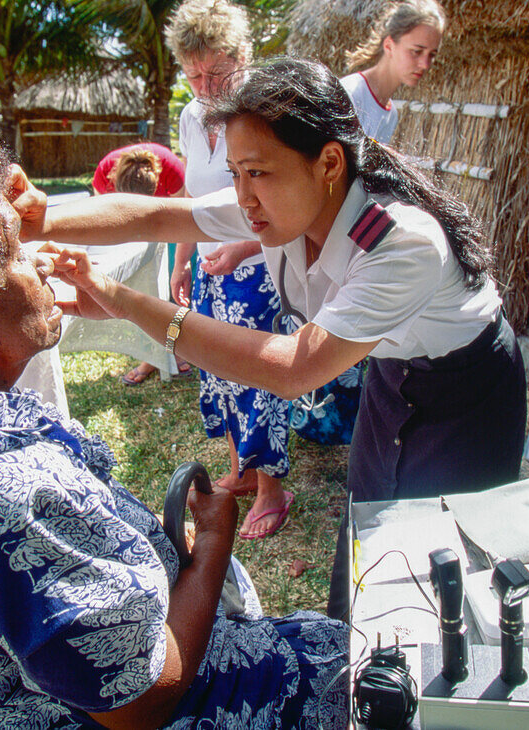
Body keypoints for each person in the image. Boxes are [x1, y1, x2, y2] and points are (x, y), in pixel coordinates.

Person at [0, 102, 348, 729]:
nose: (42, 259)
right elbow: (147, 700)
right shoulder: (3, 495)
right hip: (181, 702)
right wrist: (211, 543)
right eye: (13, 253)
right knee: (358, 669)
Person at [11, 57, 527, 620]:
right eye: (233, 173)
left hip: (466, 393)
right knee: (369, 530)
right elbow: (161, 216)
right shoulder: (283, 206)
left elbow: (293, 369)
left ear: (329, 161)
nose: (243, 196)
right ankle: (346, 655)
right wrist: (44, 221)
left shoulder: (401, 241)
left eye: (256, 172)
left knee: (443, 567)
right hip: (393, 370)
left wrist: (127, 302)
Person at [165, 0, 295, 540]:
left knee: (258, 372)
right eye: (193, 74)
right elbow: (193, 201)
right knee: (216, 364)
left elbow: (287, 200)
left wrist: (242, 250)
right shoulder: (191, 117)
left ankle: (273, 490)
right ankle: (242, 470)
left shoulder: (268, 113)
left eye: (216, 72)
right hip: (213, 266)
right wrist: (182, 259)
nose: (204, 85)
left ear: (243, 56)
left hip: (262, 263)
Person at [94, 143, 194, 386]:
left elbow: (184, 219)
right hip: (132, 231)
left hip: (170, 225)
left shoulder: (172, 171)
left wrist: (178, 264)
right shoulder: (102, 177)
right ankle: (152, 355)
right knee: (143, 294)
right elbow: (102, 219)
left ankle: (176, 348)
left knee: (173, 294)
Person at [340, 0, 445, 144]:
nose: (425, 64)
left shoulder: (391, 115)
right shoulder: (350, 94)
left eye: (431, 54)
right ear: (389, 46)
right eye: (416, 51)